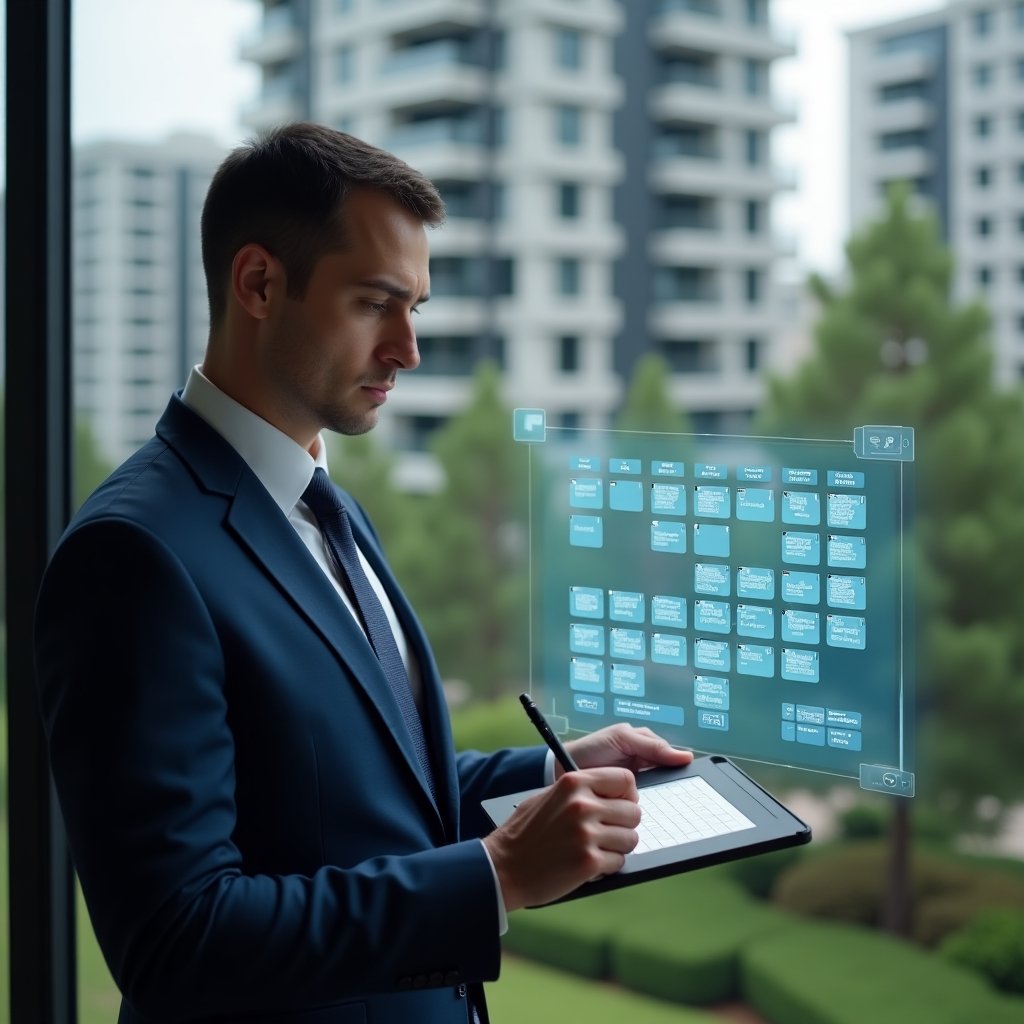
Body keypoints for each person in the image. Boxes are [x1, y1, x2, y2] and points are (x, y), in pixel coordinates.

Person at [34, 123, 692, 1024]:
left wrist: (550, 771)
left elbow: (357, 792)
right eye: (374, 303)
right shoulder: (133, 555)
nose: (407, 349)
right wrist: (497, 875)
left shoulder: (325, 505)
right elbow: (174, 938)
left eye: (414, 307)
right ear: (259, 283)